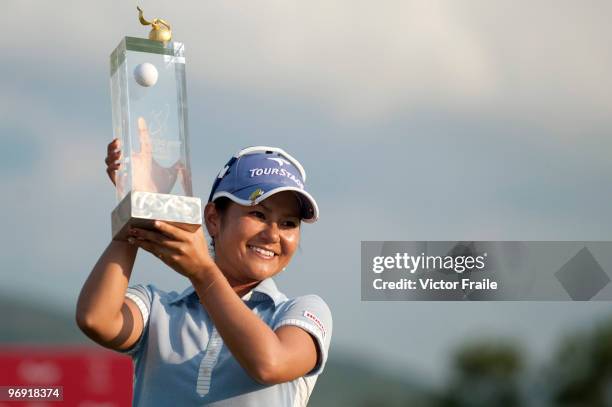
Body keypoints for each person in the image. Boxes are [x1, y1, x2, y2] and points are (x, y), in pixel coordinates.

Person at [76, 129, 332, 406]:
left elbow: (269, 363)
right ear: (212, 219)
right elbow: (96, 319)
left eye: (288, 223)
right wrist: (139, 207)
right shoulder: (159, 309)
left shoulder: (301, 311)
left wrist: (203, 272)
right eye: (258, 214)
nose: (273, 235)